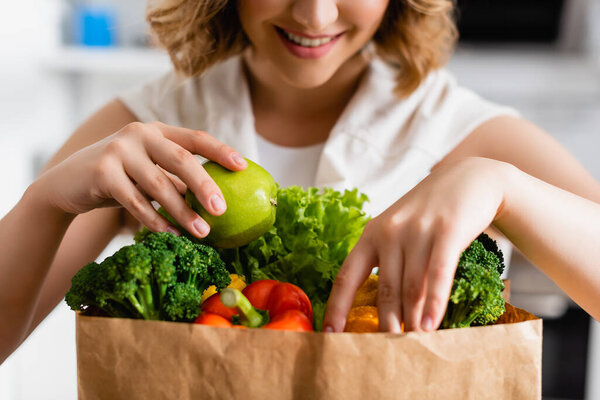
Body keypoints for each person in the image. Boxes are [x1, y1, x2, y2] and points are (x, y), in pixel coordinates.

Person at [1, 0, 599, 363]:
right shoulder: (146, 124)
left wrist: (505, 186)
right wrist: (45, 200)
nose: (314, 16)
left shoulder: (463, 129)